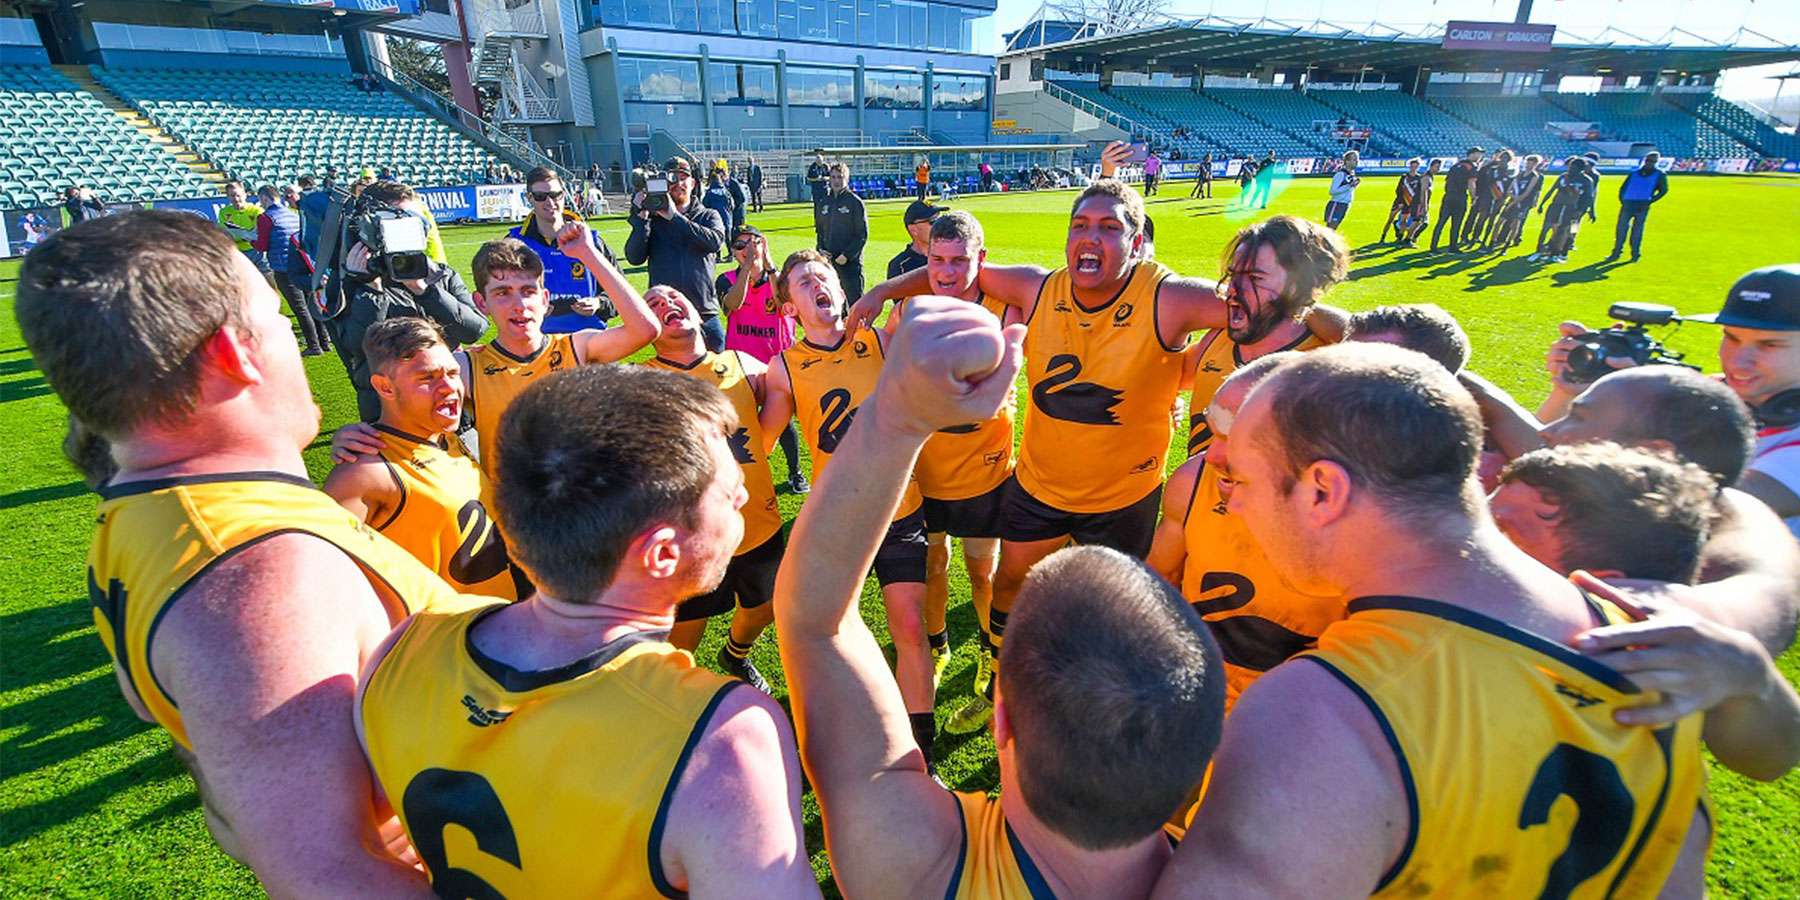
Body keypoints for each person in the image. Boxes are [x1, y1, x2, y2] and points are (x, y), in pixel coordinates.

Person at [15, 209, 477, 892]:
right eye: (284, 326)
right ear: (233, 354)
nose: (295, 341)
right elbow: (329, 873)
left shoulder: (148, 515)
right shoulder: (256, 572)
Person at [1155, 343, 1706, 898]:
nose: (1237, 506)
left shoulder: (1316, 712)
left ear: (1323, 490)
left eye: (1242, 482)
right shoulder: (1654, 652)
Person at [774, 294, 1227, 899]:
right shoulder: (1258, 878)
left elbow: (814, 619)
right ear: (1195, 768)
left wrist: (896, 420)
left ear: (1002, 721)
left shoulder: (913, 866)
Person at [356, 364, 818, 897]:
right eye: (728, 490)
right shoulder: (722, 739)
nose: (742, 496)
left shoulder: (404, 649)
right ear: (663, 553)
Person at [853, 180, 1256, 737]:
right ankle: (997, 678)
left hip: (1125, 498)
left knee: (1108, 608)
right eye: (1081, 226)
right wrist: (884, 291)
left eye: (1110, 227)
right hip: (1039, 487)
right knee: (1011, 582)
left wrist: (1327, 326)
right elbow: (953, 271)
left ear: (1137, 242)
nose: (1091, 237)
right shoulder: (1040, 289)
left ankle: (1094, 705)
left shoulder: (1166, 297)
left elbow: (1252, 310)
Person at [1491, 444, 1800, 788]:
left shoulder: (1657, 646)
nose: (1471, 534)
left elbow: (1771, 762)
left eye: (1502, 533)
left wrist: (1751, 675)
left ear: (1604, 585)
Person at [761, 250, 938, 766]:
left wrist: (883, 292)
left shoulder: (881, 340)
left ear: (841, 291)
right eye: (802, 282)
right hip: (838, 521)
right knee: (832, 634)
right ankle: (842, 738)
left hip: (899, 507)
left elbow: (939, 275)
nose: (817, 284)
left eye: (825, 277)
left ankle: (920, 749)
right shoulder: (785, 368)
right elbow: (763, 441)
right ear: (789, 308)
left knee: (909, 625)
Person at [1147, 352, 1341, 724]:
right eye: (1213, 432)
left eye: (1238, 438)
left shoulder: (1357, 528)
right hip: (1190, 692)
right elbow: (1158, 582)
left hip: (1291, 717)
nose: (1212, 456)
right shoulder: (1192, 484)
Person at [890, 211, 1020, 732]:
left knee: (984, 572)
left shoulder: (1004, 307)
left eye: (959, 261)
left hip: (985, 473)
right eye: (938, 260)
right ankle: (940, 645)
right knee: (934, 564)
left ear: (980, 260)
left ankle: (993, 665)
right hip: (927, 469)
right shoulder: (909, 313)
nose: (946, 272)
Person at [637, 285, 784, 689]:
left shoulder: (739, 363)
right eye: (653, 304)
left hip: (758, 522)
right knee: (686, 629)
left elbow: (787, 388)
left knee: (764, 606)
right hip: (693, 532)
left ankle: (736, 654)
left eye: (672, 296)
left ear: (699, 312)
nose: (666, 302)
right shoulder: (644, 382)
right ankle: (678, 691)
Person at [323, 317, 525, 600]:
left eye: (453, 373)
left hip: (502, 620)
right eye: (427, 378)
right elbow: (326, 582)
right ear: (385, 388)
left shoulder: (446, 436)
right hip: (446, 638)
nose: (449, 388)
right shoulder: (364, 473)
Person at [1185, 215, 1351, 459]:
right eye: (1233, 276)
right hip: (1195, 496)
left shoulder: (1323, 366)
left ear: (1298, 284)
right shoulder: (1217, 340)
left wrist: (1303, 306)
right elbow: (1169, 381)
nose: (1233, 290)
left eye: (1254, 278)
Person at [337, 197, 486, 422]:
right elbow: (357, 348)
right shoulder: (352, 284)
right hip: (392, 416)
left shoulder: (440, 274)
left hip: (453, 404)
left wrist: (423, 290)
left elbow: (474, 330)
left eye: (417, 221)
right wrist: (372, 290)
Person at [718, 224, 807, 494]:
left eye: (752, 242)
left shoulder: (780, 278)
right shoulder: (726, 278)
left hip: (775, 363)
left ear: (763, 243)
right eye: (740, 245)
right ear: (733, 252)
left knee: (783, 421)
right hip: (740, 364)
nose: (747, 249)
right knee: (739, 422)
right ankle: (740, 475)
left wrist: (768, 265)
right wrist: (747, 268)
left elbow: (783, 304)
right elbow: (731, 305)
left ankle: (795, 472)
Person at [625, 156, 729, 351]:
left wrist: (674, 217)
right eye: (672, 178)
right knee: (674, 376)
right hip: (667, 316)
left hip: (704, 311)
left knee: (717, 373)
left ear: (693, 183)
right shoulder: (653, 221)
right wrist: (641, 219)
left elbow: (714, 242)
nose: (678, 183)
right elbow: (634, 257)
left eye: (683, 178)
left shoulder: (708, 215)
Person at [509, 165, 622, 334]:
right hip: (537, 343)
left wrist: (599, 303)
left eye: (555, 195)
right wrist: (529, 308)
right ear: (529, 198)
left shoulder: (591, 241)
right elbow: (500, 298)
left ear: (564, 195)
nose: (550, 202)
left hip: (590, 341)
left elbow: (621, 292)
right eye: (540, 196)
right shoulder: (514, 245)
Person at [251, 183, 327, 357]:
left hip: (283, 267)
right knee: (312, 303)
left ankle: (314, 346)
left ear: (264, 198)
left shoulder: (266, 218)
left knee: (300, 308)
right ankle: (324, 340)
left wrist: (250, 240)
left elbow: (262, 245)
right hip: (304, 264)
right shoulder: (292, 215)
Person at [816, 162, 869, 301]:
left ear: (847, 179)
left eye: (840, 177)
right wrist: (820, 250)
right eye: (833, 177)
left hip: (850, 264)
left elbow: (862, 235)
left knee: (855, 306)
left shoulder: (855, 202)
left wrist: (847, 255)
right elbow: (820, 231)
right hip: (829, 263)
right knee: (835, 305)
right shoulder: (823, 202)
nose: (836, 181)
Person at [1607, 151, 1670, 263]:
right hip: (1628, 204)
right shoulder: (1634, 173)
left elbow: (1663, 190)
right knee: (1621, 229)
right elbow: (1623, 187)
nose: (1649, 163)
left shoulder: (1660, 175)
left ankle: (1635, 253)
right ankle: (1616, 252)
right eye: (1648, 160)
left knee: (1637, 230)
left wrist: (1651, 200)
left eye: (1652, 161)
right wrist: (1623, 199)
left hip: (1642, 205)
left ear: (1656, 162)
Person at [1531, 156, 1595, 263]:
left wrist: (1590, 210)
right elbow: (1552, 190)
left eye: (1573, 167)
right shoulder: (1564, 177)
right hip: (1557, 205)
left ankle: (1564, 250)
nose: (1570, 169)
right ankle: (1542, 249)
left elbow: (1590, 196)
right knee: (1549, 226)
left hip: (1576, 207)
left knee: (1570, 229)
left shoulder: (1588, 179)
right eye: (1570, 166)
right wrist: (1542, 203)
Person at [1430, 146, 1481, 251]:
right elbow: (1471, 183)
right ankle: (1452, 247)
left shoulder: (1456, 165)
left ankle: (1433, 246)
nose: (1480, 156)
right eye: (1478, 153)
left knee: (1441, 222)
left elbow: (1447, 181)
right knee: (1456, 223)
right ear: (1472, 154)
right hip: (1460, 197)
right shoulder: (1471, 167)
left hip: (1448, 196)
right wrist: (1473, 197)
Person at [1490, 154, 1543, 250]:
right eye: (1528, 162)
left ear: (1536, 165)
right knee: (1499, 221)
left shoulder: (1534, 176)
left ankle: (1507, 244)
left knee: (1515, 224)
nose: (1529, 165)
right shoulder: (1520, 174)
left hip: (1522, 203)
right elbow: (1511, 188)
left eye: (1532, 163)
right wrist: (1511, 196)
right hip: (1512, 200)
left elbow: (1527, 192)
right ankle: (1492, 242)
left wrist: (1516, 201)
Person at [1461, 147, 1512, 248]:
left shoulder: (1507, 170)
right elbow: (1479, 178)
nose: (1500, 158)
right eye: (1500, 155)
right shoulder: (1488, 165)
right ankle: (1465, 236)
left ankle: (1476, 237)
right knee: (1474, 216)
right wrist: (1475, 194)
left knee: (1486, 218)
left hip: (1494, 197)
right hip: (1481, 194)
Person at [889, 198, 946, 280]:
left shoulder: (950, 256)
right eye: (933, 222)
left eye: (941, 220)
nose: (940, 226)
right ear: (913, 229)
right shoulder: (901, 266)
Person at [216, 181, 265, 273]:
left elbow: (258, 233)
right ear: (228, 197)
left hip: (256, 251)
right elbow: (225, 233)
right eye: (232, 195)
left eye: (238, 195)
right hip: (237, 252)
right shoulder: (224, 212)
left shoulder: (256, 211)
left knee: (266, 277)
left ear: (245, 195)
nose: (236, 199)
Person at [1379, 158, 1421, 244]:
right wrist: (1401, 202)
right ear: (1410, 166)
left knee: (1403, 221)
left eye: (1415, 166)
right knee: (1390, 219)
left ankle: (1399, 238)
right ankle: (1383, 237)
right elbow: (1398, 190)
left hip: (1409, 203)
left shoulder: (1419, 178)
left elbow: (1418, 192)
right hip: (1399, 202)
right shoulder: (1404, 177)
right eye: (1412, 166)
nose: (1413, 168)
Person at [1404, 158, 1440, 246]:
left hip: (1420, 202)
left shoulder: (1429, 176)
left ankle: (1410, 237)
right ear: (1431, 166)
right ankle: (1407, 239)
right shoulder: (1426, 177)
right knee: (1418, 221)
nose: (1438, 169)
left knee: (1421, 222)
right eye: (1437, 167)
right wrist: (1424, 205)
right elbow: (1424, 191)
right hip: (1419, 203)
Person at [1322, 150, 1359, 230]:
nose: (1356, 161)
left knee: (1333, 229)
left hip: (1345, 204)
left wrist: (1353, 185)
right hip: (1337, 204)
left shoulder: (1351, 174)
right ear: (1347, 161)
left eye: (1357, 159)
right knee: (1330, 230)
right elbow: (1332, 191)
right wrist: (1349, 186)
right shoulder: (1340, 174)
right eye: (1354, 159)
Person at [702, 164, 737, 234]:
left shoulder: (709, 192)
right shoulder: (726, 192)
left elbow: (705, 206)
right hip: (727, 219)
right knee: (729, 241)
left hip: (714, 221)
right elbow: (732, 205)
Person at [723, 162, 749, 232]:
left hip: (738, 211)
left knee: (739, 231)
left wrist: (733, 204)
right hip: (732, 212)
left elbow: (742, 198)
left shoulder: (734, 183)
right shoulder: (725, 184)